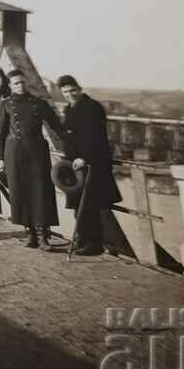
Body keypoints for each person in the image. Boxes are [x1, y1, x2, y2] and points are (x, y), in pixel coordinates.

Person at [0, 69, 64, 248]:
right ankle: (30, 233)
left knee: (41, 191)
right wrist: (0, 158)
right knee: (20, 191)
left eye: (23, 82)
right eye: (16, 83)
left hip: (36, 152)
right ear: (10, 86)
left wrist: (73, 142)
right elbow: (0, 134)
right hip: (14, 152)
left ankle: (43, 236)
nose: (21, 85)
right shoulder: (5, 104)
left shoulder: (39, 104)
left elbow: (57, 126)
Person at [57, 74, 122, 256]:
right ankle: (83, 239)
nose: (70, 94)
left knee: (90, 205)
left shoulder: (92, 108)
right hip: (74, 164)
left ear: (79, 89)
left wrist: (85, 157)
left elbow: (96, 137)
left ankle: (94, 244)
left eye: (72, 90)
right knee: (79, 205)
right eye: (65, 92)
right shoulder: (69, 108)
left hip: (91, 163)